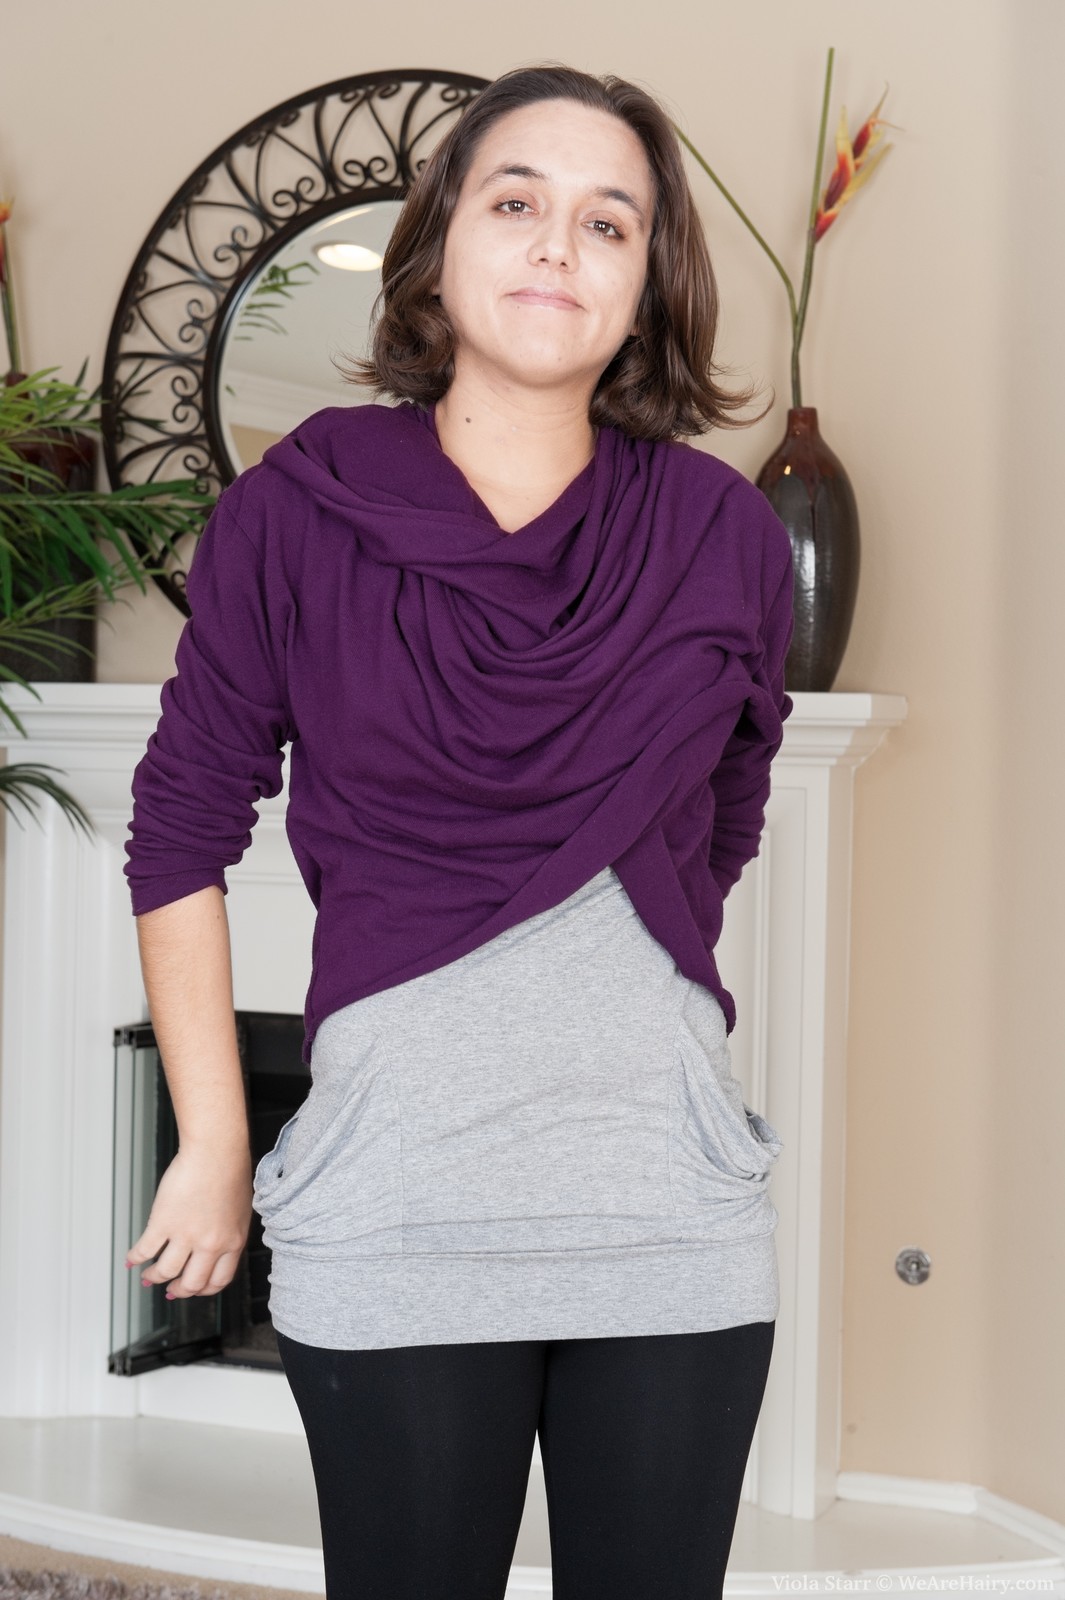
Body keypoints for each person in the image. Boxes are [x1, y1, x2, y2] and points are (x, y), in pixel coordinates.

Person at [122, 60, 794, 1600]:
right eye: (516, 203)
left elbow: (722, 817)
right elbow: (179, 833)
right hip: (394, 1205)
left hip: (666, 1213)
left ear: (647, 283)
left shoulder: (723, 536)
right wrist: (215, 1143)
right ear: (435, 247)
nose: (559, 244)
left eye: (608, 222)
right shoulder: (293, 514)